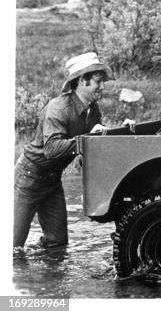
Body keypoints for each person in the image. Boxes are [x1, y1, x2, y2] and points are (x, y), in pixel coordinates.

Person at [14, 52, 122, 248]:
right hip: (28, 179)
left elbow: (89, 146)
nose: (103, 87)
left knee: (58, 245)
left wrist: (120, 131)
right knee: (12, 247)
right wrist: (88, 140)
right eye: (98, 81)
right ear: (82, 81)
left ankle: (46, 276)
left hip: (53, 181)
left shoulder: (93, 109)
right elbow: (52, 149)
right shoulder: (58, 108)